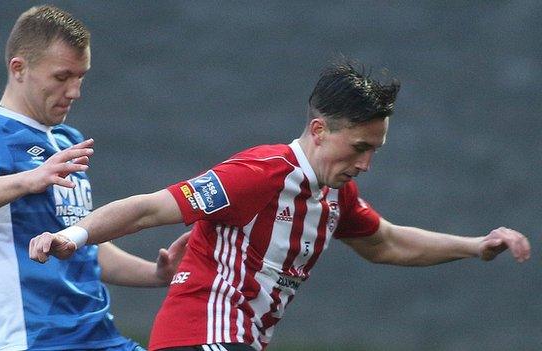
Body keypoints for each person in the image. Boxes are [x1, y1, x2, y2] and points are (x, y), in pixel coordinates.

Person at [29, 61, 531, 351]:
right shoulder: (259, 173)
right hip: (200, 335)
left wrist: (474, 246)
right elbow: (147, 209)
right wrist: (72, 237)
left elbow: (387, 242)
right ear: (319, 131)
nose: (368, 162)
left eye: (376, 149)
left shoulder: (335, 194)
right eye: (359, 147)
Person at [0, 5, 188, 351]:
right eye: (62, 77)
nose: (74, 91)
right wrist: (30, 179)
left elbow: (82, 244)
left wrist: (155, 274)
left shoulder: (66, 139)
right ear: (19, 68)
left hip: (100, 336)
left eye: (80, 76)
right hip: (36, 341)